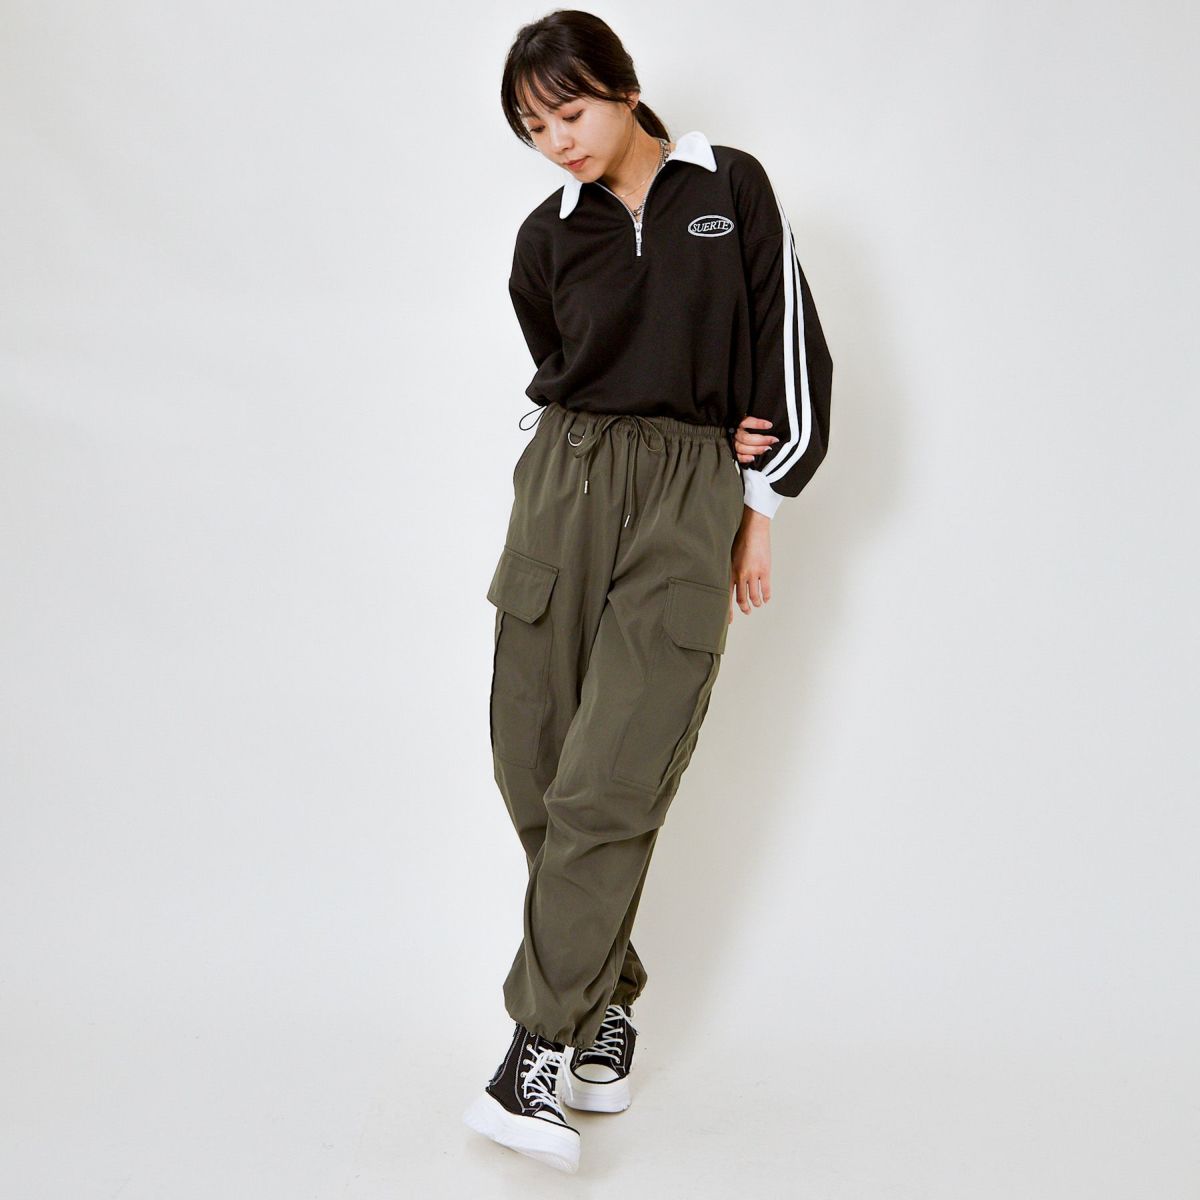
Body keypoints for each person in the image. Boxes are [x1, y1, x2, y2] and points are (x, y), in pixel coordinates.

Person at [462, 10, 833, 1174]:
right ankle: (606, 999)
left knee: (611, 779)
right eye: (534, 129)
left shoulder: (731, 189)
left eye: (568, 111)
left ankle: (533, 1052)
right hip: (564, 487)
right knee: (532, 762)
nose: (557, 141)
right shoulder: (545, 236)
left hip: (689, 493)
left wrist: (758, 510)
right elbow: (555, 362)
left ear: (623, 88)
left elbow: (792, 354)